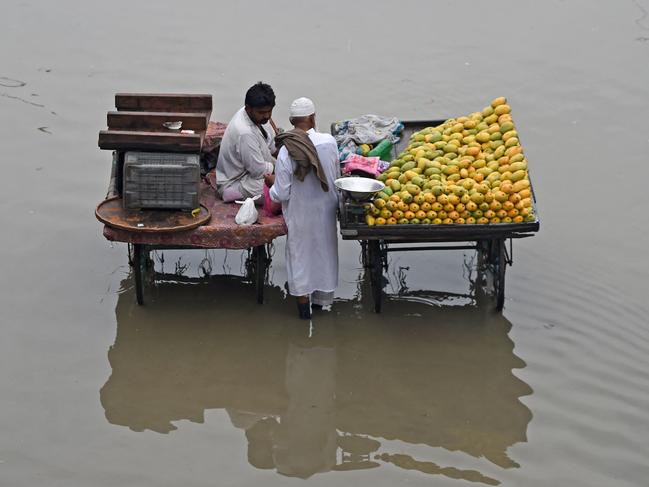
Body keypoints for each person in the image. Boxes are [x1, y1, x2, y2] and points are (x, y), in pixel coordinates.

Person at [265, 97, 340, 319]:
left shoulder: (287, 150)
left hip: (300, 214)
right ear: (313, 118)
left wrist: (271, 185)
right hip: (326, 211)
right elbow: (336, 176)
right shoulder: (329, 142)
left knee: (300, 258)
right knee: (324, 254)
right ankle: (320, 304)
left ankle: (303, 314)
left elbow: (282, 193)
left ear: (291, 121)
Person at [216, 82, 278, 202]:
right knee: (285, 191)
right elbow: (258, 171)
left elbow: (272, 145)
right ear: (248, 108)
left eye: (269, 111)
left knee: (287, 182)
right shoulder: (245, 133)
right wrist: (280, 170)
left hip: (252, 171)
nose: (267, 116)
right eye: (262, 112)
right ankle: (232, 194)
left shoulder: (259, 117)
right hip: (236, 182)